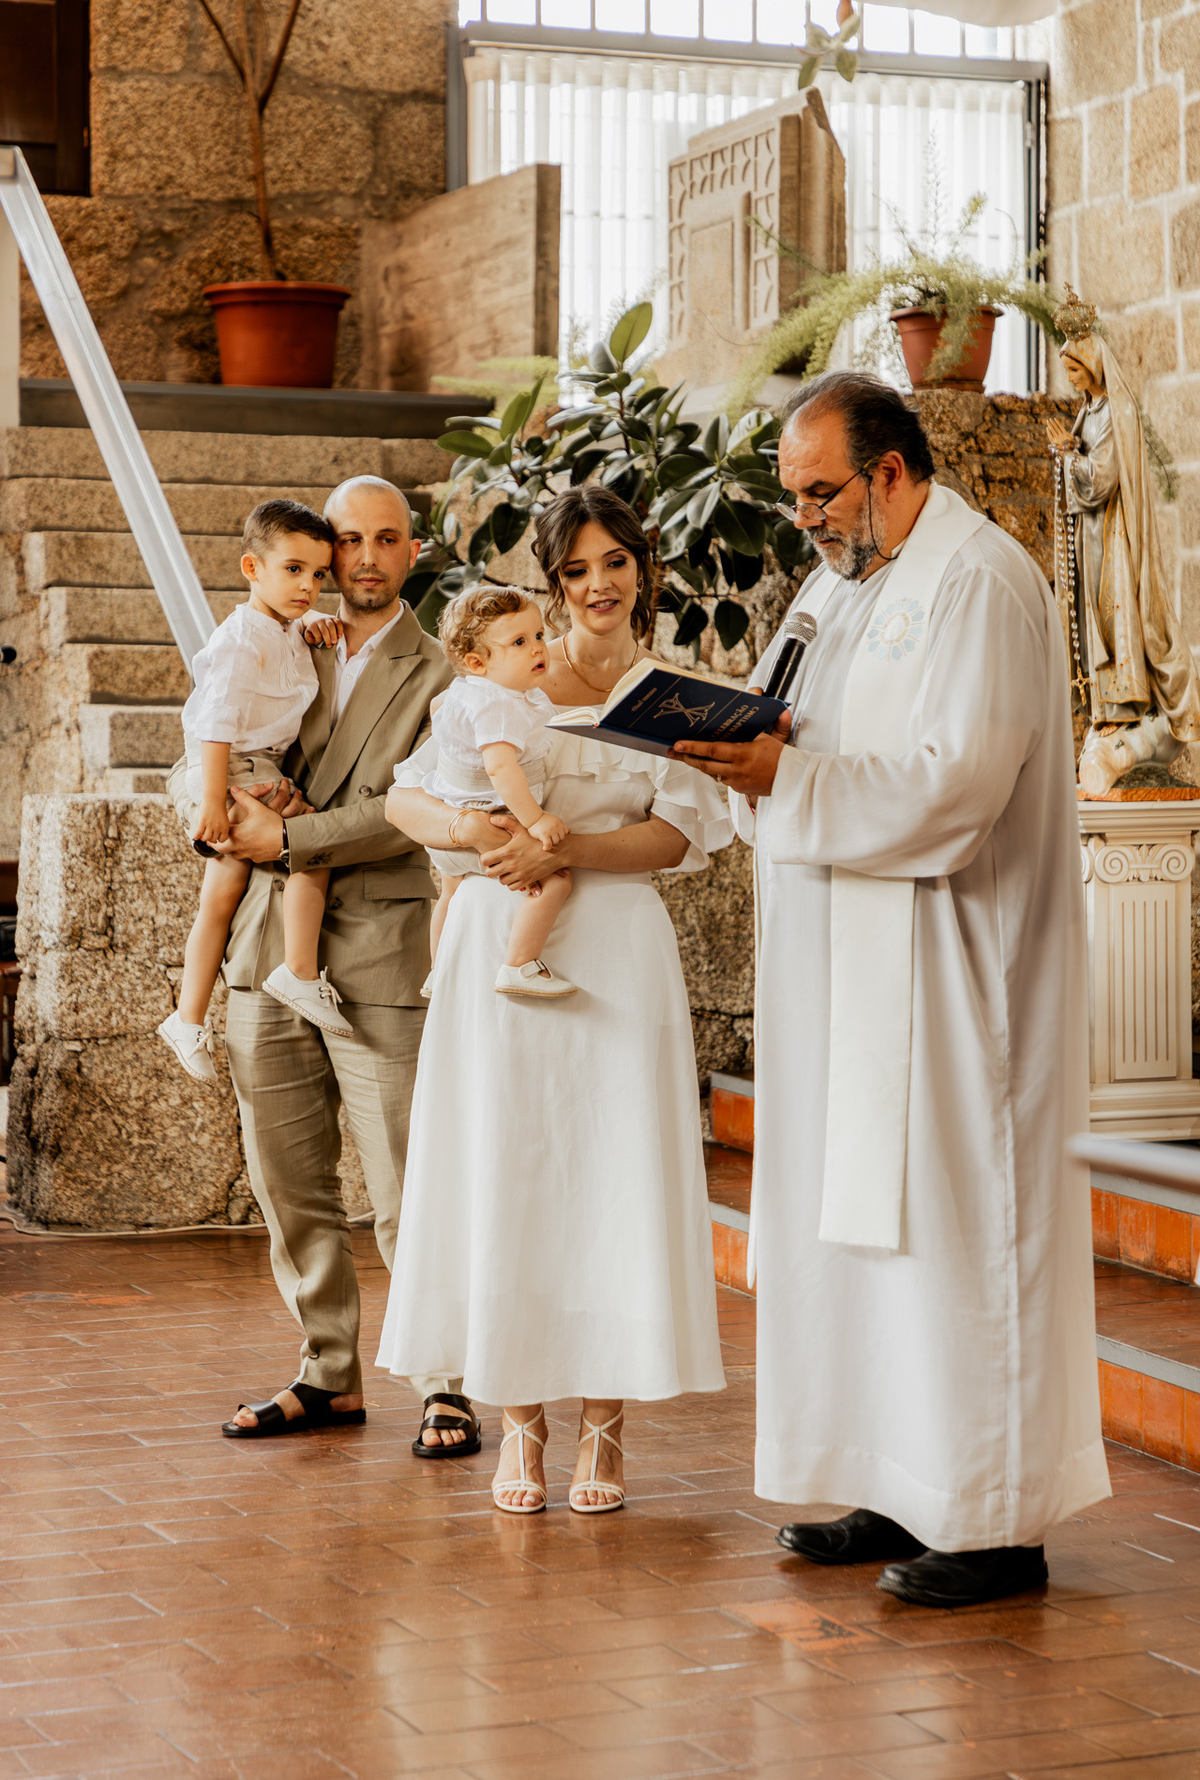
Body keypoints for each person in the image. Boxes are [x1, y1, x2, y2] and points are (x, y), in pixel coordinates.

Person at [675, 373, 1110, 1609]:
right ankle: (897, 1482)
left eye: (820, 493)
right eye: (792, 496)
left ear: (891, 472)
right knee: (862, 1237)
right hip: (842, 971)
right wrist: (734, 751)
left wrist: (783, 777)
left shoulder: (979, 582)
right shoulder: (833, 587)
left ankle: (995, 1520)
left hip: (957, 974)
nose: (803, 517)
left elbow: (957, 783)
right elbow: (786, 732)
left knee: (959, 1240)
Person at [376, 484, 729, 1515]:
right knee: (509, 1169)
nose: (597, 585)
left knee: (613, 1177)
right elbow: (405, 795)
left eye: (614, 562)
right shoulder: (504, 676)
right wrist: (472, 835)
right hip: (499, 937)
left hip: (614, 947)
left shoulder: (671, 693)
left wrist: (563, 851)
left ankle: (606, 1429)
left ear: (643, 568)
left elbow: (678, 834)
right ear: (552, 582)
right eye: (575, 570)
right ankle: (522, 1424)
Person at [166, 475, 480, 1457]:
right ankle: (327, 1372)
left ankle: (445, 1382)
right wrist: (216, 812)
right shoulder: (277, 636)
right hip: (264, 952)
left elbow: (416, 808)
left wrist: (288, 839)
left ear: (415, 552)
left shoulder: (444, 673)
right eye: (350, 539)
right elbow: (200, 746)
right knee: (290, 1186)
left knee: (407, 1185)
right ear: (325, 548)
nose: (366, 558)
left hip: (382, 955)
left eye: (388, 539)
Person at [160, 499, 352, 1084]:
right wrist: (212, 801)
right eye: (293, 569)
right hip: (232, 766)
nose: (308, 585)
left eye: (319, 574)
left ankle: (187, 1018)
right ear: (252, 568)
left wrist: (317, 625)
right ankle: (297, 972)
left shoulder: (290, 628)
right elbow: (215, 723)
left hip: (258, 764)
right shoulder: (241, 639)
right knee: (310, 847)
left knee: (222, 895)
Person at [1044, 285, 1200, 793]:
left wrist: (1069, 455)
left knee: (1115, 616)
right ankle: (1106, 712)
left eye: (1074, 370)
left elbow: (1102, 480)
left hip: (1112, 534)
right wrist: (1069, 449)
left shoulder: (1114, 411)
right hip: (1091, 532)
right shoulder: (1088, 411)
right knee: (1094, 615)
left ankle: (1124, 709)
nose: (1070, 379)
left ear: (1092, 366)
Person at [422, 584, 574, 1001]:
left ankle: (437, 972)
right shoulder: (499, 704)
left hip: (450, 821)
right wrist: (535, 820)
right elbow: (501, 768)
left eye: (539, 635)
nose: (538, 648)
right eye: (519, 642)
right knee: (556, 881)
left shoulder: (467, 689)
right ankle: (520, 964)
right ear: (477, 662)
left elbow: (439, 713)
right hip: (490, 819)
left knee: (450, 892)